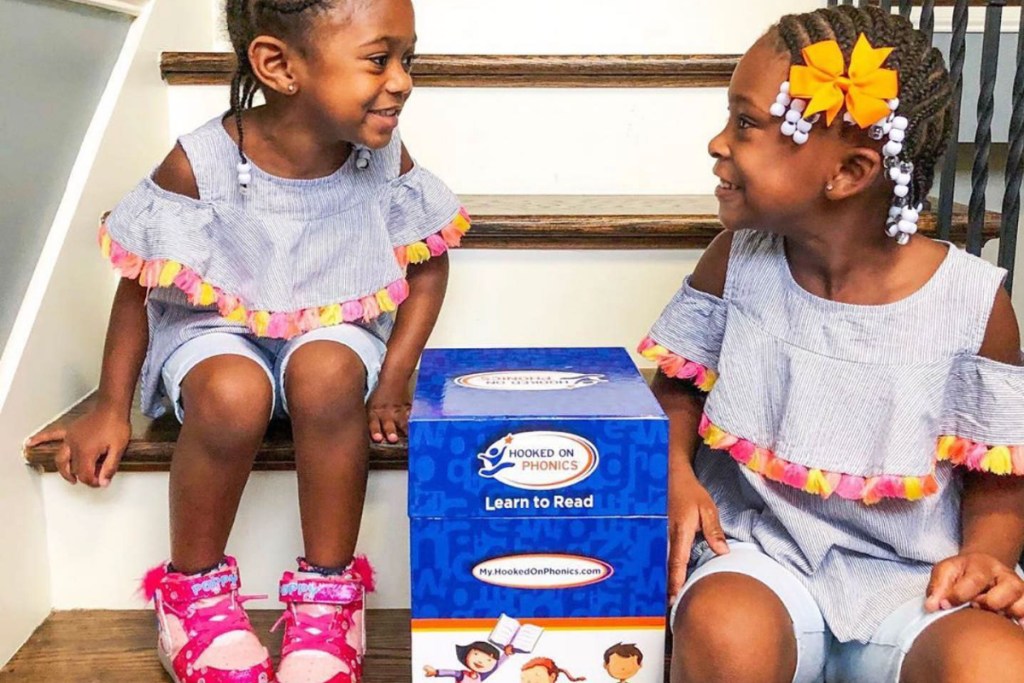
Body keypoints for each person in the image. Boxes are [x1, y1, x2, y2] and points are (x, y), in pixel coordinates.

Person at [27, 1, 468, 682]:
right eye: (379, 60)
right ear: (278, 66)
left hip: (328, 321)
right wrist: (112, 405)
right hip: (213, 330)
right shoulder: (198, 163)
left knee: (324, 373)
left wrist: (393, 379)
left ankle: (327, 597)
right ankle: (194, 593)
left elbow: (429, 260)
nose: (403, 80)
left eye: (407, 59)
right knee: (235, 393)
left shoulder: (378, 159)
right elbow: (141, 282)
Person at [639, 6, 1024, 682]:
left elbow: (1000, 472)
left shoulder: (973, 304)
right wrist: (676, 472)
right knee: (724, 629)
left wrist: (988, 555)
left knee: (994, 664)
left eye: (748, 124)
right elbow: (677, 384)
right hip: (765, 554)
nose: (718, 143)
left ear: (849, 171)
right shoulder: (737, 263)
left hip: (918, 582)